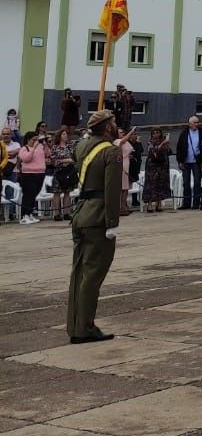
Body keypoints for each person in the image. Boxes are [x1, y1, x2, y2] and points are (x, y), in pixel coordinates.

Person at [66, 108, 121, 342]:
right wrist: (112, 222)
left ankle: (75, 325)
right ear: (108, 127)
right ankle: (85, 328)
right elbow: (112, 190)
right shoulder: (112, 152)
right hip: (98, 216)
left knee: (79, 273)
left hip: (81, 213)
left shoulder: (81, 146)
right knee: (92, 275)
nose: (117, 125)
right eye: (114, 122)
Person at [17, 127, 47, 224]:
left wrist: (45, 145)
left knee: (34, 194)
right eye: (33, 140)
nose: (35, 141)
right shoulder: (24, 149)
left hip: (40, 173)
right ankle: (24, 215)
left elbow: (48, 154)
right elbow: (26, 159)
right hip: (28, 174)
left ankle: (29, 214)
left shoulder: (40, 147)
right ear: (28, 140)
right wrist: (33, 148)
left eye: (36, 139)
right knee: (28, 194)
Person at [49, 127, 78, 220]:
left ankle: (66, 213)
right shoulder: (55, 147)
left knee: (67, 192)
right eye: (64, 134)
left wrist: (67, 160)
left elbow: (74, 159)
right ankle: (56, 214)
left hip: (69, 171)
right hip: (59, 172)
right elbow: (54, 160)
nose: (66, 136)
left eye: (66, 134)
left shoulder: (70, 146)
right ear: (60, 136)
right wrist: (65, 160)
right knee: (57, 192)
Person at [176, 116, 202, 208]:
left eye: (197, 122)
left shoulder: (201, 132)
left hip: (197, 161)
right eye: (195, 122)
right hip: (186, 161)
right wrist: (180, 161)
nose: (197, 124)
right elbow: (179, 147)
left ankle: (196, 203)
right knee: (186, 182)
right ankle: (186, 203)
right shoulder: (184, 133)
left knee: (197, 182)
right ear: (189, 123)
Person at [144, 127, 172, 211]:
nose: (156, 134)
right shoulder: (150, 142)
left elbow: (169, 152)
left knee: (161, 183)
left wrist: (166, 144)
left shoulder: (164, 142)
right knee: (151, 184)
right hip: (152, 166)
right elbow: (153, 151)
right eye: (154, 132)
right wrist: (163, 143)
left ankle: (158, 204)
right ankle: (149, 205)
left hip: (163, 166)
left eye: (158, 132)